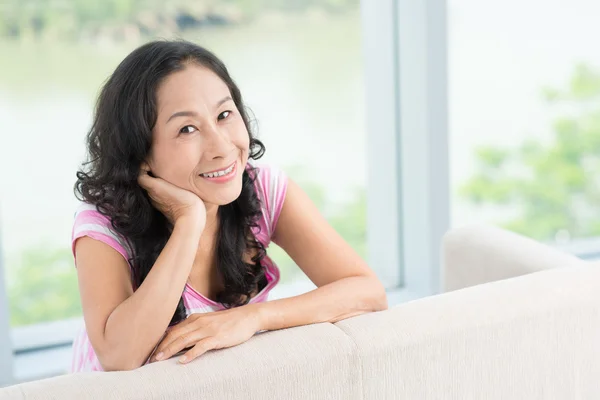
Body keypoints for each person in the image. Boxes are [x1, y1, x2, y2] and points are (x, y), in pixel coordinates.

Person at [70, 39, 387, 372]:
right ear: (140, 152)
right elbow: (119, 357)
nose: (221, 146)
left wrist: (252, 317)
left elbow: (367, 292)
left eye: (224, 114)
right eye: (187, 128)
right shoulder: (102, 224)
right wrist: (188, 222)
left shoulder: (264, 188)